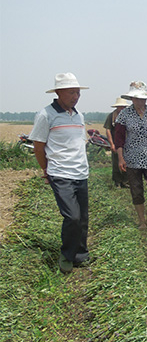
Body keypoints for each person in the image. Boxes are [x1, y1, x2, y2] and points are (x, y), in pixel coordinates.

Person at [29, 72, 90, 273]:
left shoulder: (79, 115)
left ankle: (80, 253)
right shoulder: (46, 115)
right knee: (71, 217)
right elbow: (39, 147)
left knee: (82, 217)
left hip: (80, 172)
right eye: (72, 92)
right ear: (58, 92)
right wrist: (46, 170)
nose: (76, 96)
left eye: (78, 92)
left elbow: (80, 142)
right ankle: (66, 255)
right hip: (60, 173)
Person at [114, 81, 147, 230]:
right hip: (132, 158)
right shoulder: (124, 115)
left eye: (143, 98)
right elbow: (119, 138)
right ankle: (141, 220)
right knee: (136, 191)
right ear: (132, 99)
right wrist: (120, 158)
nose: (140, 101)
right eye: (137, 98)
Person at [104, 97, 130, 187]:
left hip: (127, 143)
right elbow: (108, 130)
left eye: (123, 107)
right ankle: (117, 181)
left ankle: (126, 181)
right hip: (116, 143)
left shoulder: (129, 116)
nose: (122, 108)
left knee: (127, 162)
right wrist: (112, 144)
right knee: (116, 163)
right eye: (120, 106)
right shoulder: (111, 116)